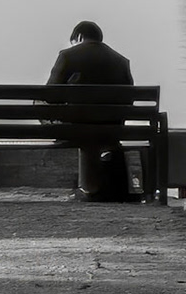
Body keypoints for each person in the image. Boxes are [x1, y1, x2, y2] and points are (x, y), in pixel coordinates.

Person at [46, 20, 137, 202]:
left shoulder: (67, 56)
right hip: (111, 129)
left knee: (39, 102)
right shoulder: (121, 61)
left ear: (79, 36)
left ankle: (89, 187)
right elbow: (128, 100)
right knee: (93, 129)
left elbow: (50, 95)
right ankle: (96, 186)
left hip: (75, 129)